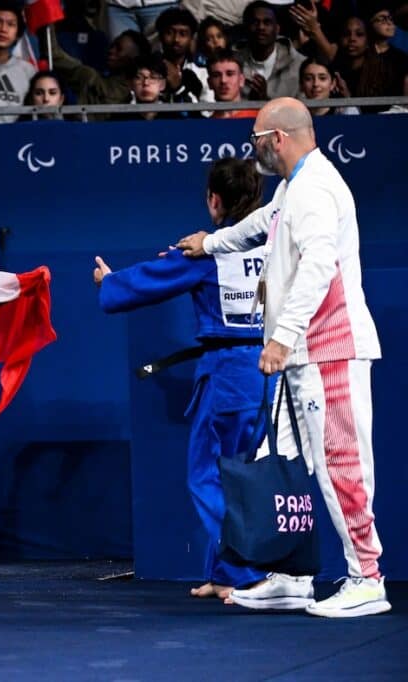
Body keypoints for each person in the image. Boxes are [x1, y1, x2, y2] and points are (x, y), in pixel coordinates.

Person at [176, 97, 391, 618]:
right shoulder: (294, 189)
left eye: (255, 141)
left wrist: (284, 335)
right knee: (287, 468)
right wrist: (211, 243)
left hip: (329, 351)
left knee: (341, 464)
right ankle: (293, 575)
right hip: (303, 358)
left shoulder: (316, 188)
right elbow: (257, 227)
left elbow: (319, 263)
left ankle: (367, 578)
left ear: (277, 139)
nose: (253, 153)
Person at [94, 157, 270, 601]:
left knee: (209, 477)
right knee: (243, 477)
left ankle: (244, 574)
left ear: (214, 200)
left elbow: (148, 281)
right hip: (267, 373)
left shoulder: (208, 249)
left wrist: (108, 282)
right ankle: (226, 572)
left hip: (228, 376)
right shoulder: (276, 243)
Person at [235, 1, 306, 100]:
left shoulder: (300, 65)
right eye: (255, 23)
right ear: (246, 28)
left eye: (267, 22)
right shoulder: (232, 64)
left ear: (277, 29)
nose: (261, 27)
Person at [207, 50, 260, 119]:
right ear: (209, 83)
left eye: (230, 74)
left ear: (241, 80)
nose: (223, 80)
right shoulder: (205, 125)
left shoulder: (259, 119)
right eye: (216, 75)